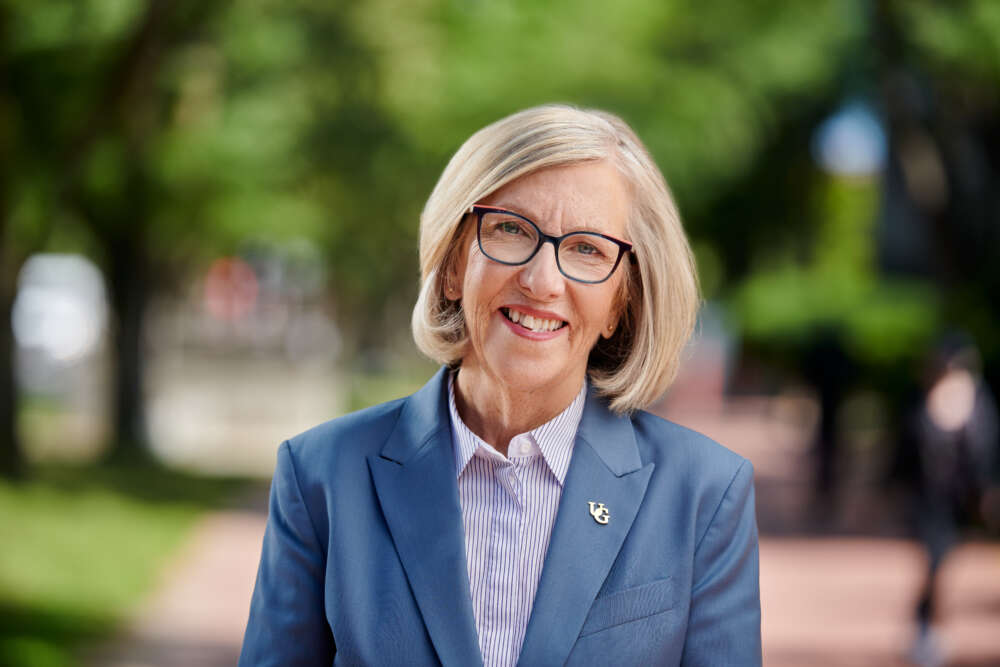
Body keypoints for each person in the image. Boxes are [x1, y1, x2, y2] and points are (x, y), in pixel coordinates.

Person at [239, 105, 761, 666]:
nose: (542, 281)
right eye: (511, 229)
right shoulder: (320, 474)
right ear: (454, 264)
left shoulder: (705, 494)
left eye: (588, 248)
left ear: (619, 303)